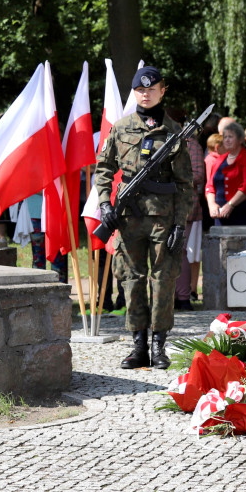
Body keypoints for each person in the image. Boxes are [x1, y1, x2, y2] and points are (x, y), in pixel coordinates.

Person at [94, 65, 194, 370]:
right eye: (140, 90)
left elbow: (185, 184)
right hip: (128, 218)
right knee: (132, 280)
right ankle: (138, 346)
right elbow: (103, 170)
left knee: (163, 281)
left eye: (151, 89)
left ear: (162, 91)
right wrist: (105, 206)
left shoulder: (175, 131)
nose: (145, 94)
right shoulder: (121, 128)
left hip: (163, 219)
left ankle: (158, 346)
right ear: (134, 93)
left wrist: (180, 223)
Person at [174, 109, 206, 311]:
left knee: (181, 250)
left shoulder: (190, 144)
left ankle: (183, 297)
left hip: (184, 204)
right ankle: (168, 298)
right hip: (163, 205)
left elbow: (198, 175)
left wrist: (172, 180)